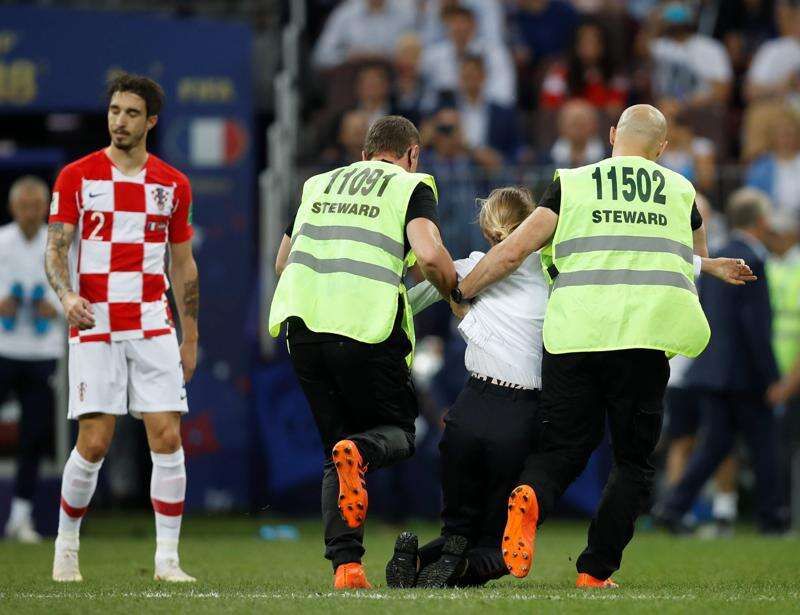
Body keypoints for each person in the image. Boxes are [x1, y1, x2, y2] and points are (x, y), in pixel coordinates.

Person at [454, 104, 755, 588]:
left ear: (612, 135)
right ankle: (595, 571)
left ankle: (530, 493)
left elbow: (514, 250)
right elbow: (691, 255)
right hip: (642, 340)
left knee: (563, 449)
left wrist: (462, 291)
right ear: (662, 149)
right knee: (633, 463)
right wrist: (711, 263)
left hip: (574, 337)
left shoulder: (571, 182)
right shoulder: (680, 190)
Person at [268, 115, 457, 590]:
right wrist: (457, 291)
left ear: (365, 152)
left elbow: (281, 262)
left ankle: (347, 568)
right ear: (411, 154)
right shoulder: (410, 185)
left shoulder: (318, 184)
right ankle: (362, 451)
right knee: (397, 432)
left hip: (303, 330)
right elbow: (430, 256)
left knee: (337, 452)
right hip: (365, 330)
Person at [47, 74, 199, 583]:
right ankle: (65, 549)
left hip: (153, 323)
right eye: (115, 110)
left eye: (132, 113)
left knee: (167, 435)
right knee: (94, 441)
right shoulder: (77, 176)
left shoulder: (173, 184)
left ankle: (167, 563)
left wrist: (191, 334)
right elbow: (57, 248)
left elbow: (183, 266)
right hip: (95, 324)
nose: (120, 120)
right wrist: (67, 295)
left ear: (151, 121)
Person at [386, 187, 544, 589]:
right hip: (519, 412)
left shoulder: (470, 267)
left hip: (468, 410)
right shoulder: (552, 275)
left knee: (458, 529)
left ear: (487, 231)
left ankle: (417, 561)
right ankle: (457, 567)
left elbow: (406, 299)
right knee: (500, 547)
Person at [657, 188, 786, 534]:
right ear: (760, 221)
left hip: (711, 369)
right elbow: (754, 327)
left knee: (714, 445)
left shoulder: (720, 256)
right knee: (765, 445)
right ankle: (773, 517)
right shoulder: (751, 261)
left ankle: (671, 508)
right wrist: (772, 376)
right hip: (742, 374)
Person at [0, 176, 65, 543]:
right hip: (3, 347)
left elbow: (73, 290)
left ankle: (20, 517)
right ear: (13, 208)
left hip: (42, 352)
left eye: (36, 206)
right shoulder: (1, 241)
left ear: (46, 209)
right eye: (23, 206)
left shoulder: (57, 243)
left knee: (34, 436)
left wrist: (53, 307)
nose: (29, 213)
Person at [420, 5, 516, 108]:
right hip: (444, 112)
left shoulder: (494, 53)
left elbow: (504, 94)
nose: (460, 28)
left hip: (483, 111)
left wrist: (471, 98)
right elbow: (424, 94)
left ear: (474, 25)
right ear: (447, 26)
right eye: (455, 23)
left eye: (464, 23)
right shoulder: (433, 55)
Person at [539, 18, 628, 115]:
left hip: (604, 126)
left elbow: (616, 109)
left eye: (594, 41)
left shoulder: (616, 74)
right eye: (584, 41)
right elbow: (549, 109)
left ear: (603, 45)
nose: (589, 47)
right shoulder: (558, 74)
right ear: (576, 45)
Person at [311, 0, 415, 70]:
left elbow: (417, 56)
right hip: (352, 80)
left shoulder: (404, 15)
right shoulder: (345, 14)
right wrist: (347, 56)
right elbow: (321, 56)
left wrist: (385, 56)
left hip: (393, 80)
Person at [548, 100, 607, 167]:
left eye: (582, 124)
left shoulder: (610, 158)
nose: (578, 129)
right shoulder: (545, 160)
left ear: (595, 125)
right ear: (561, 126)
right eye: (573, 124)